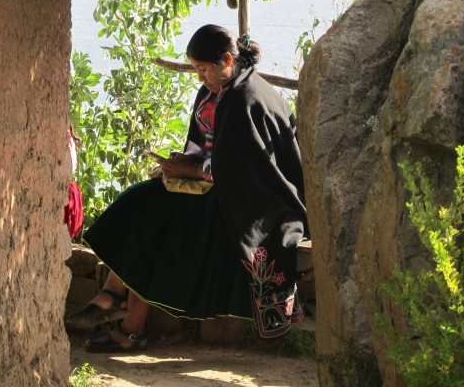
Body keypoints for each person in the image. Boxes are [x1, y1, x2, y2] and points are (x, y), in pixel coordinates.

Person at [67, 24, 308, 352]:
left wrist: (193, 170)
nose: (199, 77)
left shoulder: (245, 98)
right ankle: (119, 304)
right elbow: (208, 146)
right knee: (137, 200)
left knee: (159, 224)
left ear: (226, 60)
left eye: (202, 69)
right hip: (216, 186)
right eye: (196, 69)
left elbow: (243, 170)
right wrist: (186, 160)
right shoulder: (217, 90)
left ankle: (124, 315)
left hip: (254, 200)